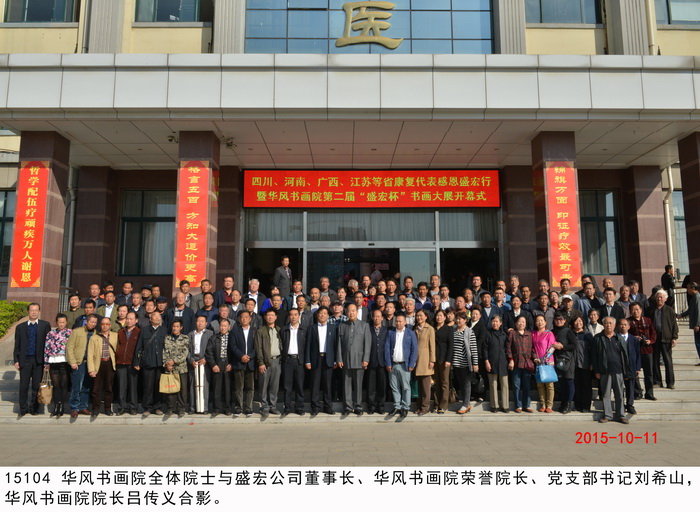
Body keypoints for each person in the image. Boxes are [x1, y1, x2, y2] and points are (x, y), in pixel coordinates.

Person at [14, 303, 52, 417]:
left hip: (39, 361)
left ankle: (34, 408)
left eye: (36, 310)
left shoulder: (45, 325)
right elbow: (17, 345)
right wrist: (16, 360)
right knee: (23, 385)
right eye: (32, 310)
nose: (34, 312)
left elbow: (48, 345)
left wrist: (47, 361)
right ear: (28, 312)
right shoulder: (20, 327)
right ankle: (23, 408)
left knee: (36, 386)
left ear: (39, 311)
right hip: (24, 360)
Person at [591, 317, 630, 424]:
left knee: (619, 394)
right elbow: (594, 356)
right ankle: (608, 415)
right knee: (606, 394)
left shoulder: (619, 338)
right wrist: (597, 370)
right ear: (603, 325)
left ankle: (621, 415)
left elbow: (625, 356)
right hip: (604, 371)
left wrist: (626, 371)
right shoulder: (598, 338)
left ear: (614, 325)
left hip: (618, 370)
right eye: (606, 323)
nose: (608, 325)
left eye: (610, 323)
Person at [337, 303, 371, 415]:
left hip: (359, 360)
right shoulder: (342, 326)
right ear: (346, 313)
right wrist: (339, 359)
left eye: (353, 311)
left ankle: (358, 406)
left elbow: (367, 344)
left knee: (358, 385)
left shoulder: (364, 325)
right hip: (346, 359)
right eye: (349, 311)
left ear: (357, 312)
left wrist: (366, 359)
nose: (351, 313)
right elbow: (339, 344)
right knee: (346, 384)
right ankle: (347, 407)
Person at [305, 306, 337, 416]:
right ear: (317, 315)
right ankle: (315, 407)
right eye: (320, 313)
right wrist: (308, 360)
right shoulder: (312, 328)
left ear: (328, 315)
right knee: (315, 384)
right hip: (315, 359)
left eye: (324, 313)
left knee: (328, 385)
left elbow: (335, 345)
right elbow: (308, 345)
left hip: (328, 359)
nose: (322, 315)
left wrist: (335, 360)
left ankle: (328, 407)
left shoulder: (333, 328)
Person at [385, 313, 418, 419]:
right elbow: (387, 348)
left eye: (400, 321)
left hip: (405, 365)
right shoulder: (391, 333)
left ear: (405, 322)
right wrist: (388, 363)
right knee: (394, 387)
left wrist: (412, 363)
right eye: (396, 321)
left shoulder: (410, 333)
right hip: (393, 364)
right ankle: (397, 406)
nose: (398, 323)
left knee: (405, 387)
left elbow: (414, 349)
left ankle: (405, 407)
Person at [133, 312, 167, 416]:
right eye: (154, 317)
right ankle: (147, 407)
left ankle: (157, 407)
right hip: (148, 362)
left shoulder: (164, 330)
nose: (157, 318)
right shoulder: (144, 330)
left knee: (158, 386)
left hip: (160, 363)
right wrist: (136, 361)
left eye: (158, 317)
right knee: (148, 386)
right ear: (150, 319)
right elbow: (139, 346)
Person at [66, 314, 98, 418]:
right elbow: (69, 347)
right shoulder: (77, 331)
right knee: (76, 386)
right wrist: (72, 361)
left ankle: (83, 406)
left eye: (95, 322)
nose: (93, 324)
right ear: (86, 322)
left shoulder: (96, 333)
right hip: (79, 362)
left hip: (90, 363)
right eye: (91, 322)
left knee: (86, 386)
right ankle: (74, 407)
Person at [87, 317, 118, 417]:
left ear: (110, 325)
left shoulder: (115, 336)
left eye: (107, 324)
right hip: (98, 363)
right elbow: (90, 354)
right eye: (103, 324)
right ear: (100, 325)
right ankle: (95, 409)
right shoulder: (94, 337)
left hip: (109, 363)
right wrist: (91, 369)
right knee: (96, 388)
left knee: (108, 387)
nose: (105, 326)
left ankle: (107, 408)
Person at [255, 309, 283, 417]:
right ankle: (264, 406)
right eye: (268, 315)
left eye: (272, 315)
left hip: (277, 360)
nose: (270, 317)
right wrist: (261, 362)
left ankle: (273, 406)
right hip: (265, 362)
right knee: (263, 385)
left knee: (274, 385)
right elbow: (258, 348)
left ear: (275, 317)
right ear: (265, 317)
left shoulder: (279, 330)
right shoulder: (260, 331)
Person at [648, 289, 678, 389]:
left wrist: (674, 337)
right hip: (654, 338)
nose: (659, 299)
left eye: (661, 297)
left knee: (668, 361)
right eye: (658, 297)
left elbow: (674, 325)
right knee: (655, 360)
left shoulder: (670, 310)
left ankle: (670, 382)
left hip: (666, 338)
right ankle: (657, 381)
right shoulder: (650, 310)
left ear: (665, 299)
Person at [229, 310, 257, 417]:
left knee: (250, 387)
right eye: (242, 317)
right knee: (238, 387)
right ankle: (238, 407)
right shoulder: (234, 331)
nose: (244, 319)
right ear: (239, 319)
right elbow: (232, 346)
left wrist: (249, 356)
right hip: (238, 361)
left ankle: (249, 408)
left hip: (250, 362)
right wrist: (241, 356)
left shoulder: (254, 331)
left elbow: (257, 346)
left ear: (250, 319)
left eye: (246, 317)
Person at [43, 313, 72, 418]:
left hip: (65, 360)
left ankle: (61, 405)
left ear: (66, 322)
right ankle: (56, 405)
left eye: (63, 322)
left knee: (64, 384)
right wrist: (46, 363)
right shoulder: (51, 333)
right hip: (53, 360)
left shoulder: (70, 332)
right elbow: (46, 348)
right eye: (60, 322)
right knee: (55, 385)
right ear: (56, 322)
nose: (61, 324)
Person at [628, 302, 657, 401]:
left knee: (649, 373)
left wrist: (650, 341)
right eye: (633, 310)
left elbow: (653, 333)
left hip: (647, 350)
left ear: (641, 310)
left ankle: (649, 393)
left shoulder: (647, 320)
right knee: (635, 373)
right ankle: (637, 392)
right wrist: (634, 338)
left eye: (637, 309)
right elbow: (625, 335)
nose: (635, 311)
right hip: (635, 351)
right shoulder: (629, 322)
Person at [506, 316, 535, 413]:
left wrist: (535, 358)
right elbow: (508, 347)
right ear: (515, 323)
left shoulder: (529, 334)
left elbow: (532, 348)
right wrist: (510, 359)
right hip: (516, 362)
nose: (521, 324)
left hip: (527, 362)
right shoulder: (512, 333)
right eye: (519, 322)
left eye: (523, 322)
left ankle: (527, 405)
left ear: (526, 324)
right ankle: (518, 405)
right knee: (516, 385)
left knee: (527, 385)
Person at [281, 308, 307, 416]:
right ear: (289, 317)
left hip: (299, 360)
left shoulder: (304, 329)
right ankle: (287, 407)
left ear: (299, 316)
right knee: (287, 386)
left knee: (299, 385)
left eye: (295, 314)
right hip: (287, 360)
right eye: (291, 315)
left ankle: (299, 407)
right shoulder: (284, 330)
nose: (293, 317)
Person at [205, 318, 233, 416]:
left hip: (228, 363)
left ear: (229, 327)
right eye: (221, 326)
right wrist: (213, 364)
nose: (223, 328)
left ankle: (227, 408)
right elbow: (209, 352)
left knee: (227, 387)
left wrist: (232, 364)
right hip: (217, 363)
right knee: (217, 387)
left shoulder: (232, 338)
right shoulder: (214, 338)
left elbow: (235, 351)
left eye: (225, 326)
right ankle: (216, 408)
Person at [452, 311, 478, 414]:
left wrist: (475, 363)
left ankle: (466, 404)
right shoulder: (454, 331)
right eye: (457, 319)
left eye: (460, 319)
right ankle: (465, 403)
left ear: (465, 320)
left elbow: (473, 349)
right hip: (456, 363)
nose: (458, 320)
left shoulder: (469, 332)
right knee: (461, 384)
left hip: (465, 363)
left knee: (466, 383)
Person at [115, 311, 140, 415]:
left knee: (133, 387)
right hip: (121, 362)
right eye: (127, 319)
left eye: (131, 319)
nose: (128, 321)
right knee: (122, 386)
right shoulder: (121, 332)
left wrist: (138, 362)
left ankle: (133, 407)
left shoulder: (139, 332)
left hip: (133, 363)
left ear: (136, 320)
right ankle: (122, 407)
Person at [483, 315, 509, 412]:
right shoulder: (488, 333)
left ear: (500, 323)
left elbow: (507, 348)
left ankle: (505, 406)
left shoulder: (504, 334)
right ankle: (494, 405)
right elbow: (485, 348)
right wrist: (486, 361)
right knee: (493, 384)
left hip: (503, 362)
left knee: (504, 384)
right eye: (493, 321)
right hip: (492, 361)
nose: (495, 323)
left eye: (497, 321)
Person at [552, 311, 577, 414]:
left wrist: (563, 347)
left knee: (569, 381)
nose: (559, 321)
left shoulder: (568, 331)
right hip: (557, 359)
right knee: (561, 383)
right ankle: (563, 403)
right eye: (557, 319)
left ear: (565, 320)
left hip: (567, 360)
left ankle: (568, 404)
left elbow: (574, 345)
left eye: (561, 319)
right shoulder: (552, 331)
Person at [532, 314, 556, 413]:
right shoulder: (533, 334)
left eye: (542, 320)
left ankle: (549, 405)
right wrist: (535, 357)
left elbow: (552, 347)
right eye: (538, 320)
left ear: (545, 322)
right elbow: (532, 348)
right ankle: (543, 404)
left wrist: (545, 358)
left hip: (548, 362)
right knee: (540, 384)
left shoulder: (549, 333)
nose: (540, 322)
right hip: (538, 362)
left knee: (549, 384)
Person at [413, 309, 435, 416]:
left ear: (426, 317)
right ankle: (419, 406)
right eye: (417, 315)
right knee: (419, 387)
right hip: (417, 360)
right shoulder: (415, 329)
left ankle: (425, 407)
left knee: (426, 386)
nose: (419, 317)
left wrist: (432, 360)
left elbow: (432, 346)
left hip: (426, 359)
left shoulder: (430, 329)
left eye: (421, 315)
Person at [618, 318, 642, 415]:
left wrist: (638, 368)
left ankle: (630, 405)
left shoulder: (634, 339)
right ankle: (620, 405)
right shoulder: (615, 338)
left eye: (625, 324)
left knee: (630, 388)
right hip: (619, 366)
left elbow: (638, 354)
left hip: (631, 366)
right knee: (619, 387)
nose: (623, 326)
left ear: (629, 326)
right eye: (621, 324)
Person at [571, 315, 594, 413]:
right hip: (573, 364)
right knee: (576, 385)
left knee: (586, 386)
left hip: (585, 363)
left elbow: (593, 350)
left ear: (583, 323)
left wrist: (592, 363)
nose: (578, 323)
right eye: (576, 321)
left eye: (580, 321)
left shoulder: (587, 334)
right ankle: (578, 405)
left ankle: (586, 406)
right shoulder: (570, 334)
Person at [678, 281, 700, 366]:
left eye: (688, 288)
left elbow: (698, 311)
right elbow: (690, 310)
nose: (687, 290)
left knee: (698, 343)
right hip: (696, 324)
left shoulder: (697, 297)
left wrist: (697, 324)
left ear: (693, 288)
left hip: (698, 325)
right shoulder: (694, 297)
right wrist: (681, 315)